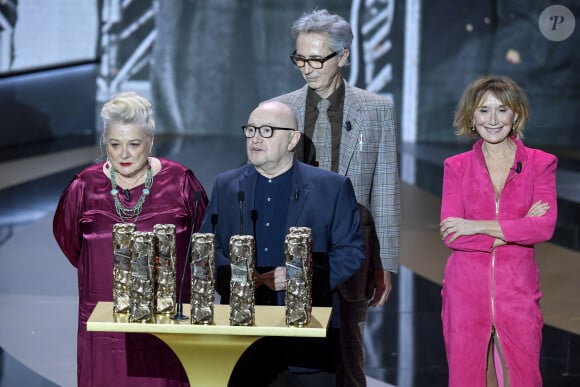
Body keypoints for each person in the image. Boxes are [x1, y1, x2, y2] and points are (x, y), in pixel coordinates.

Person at [267, 9, 400, 386]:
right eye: (299, 59)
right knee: (285, 350)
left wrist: (385, 262)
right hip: (287, 248)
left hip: (352, 249)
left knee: (348, 353)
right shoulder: (280, 109)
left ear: (343, 56)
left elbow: (385, 188)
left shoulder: (376, 111)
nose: (306, 68)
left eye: (316, 59)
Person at [199, 100, 365, 386]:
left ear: (292, 139)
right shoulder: (227, 185)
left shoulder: (332, 187)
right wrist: (234, 275)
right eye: (250, 130)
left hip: (308, 336)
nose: (255, 138)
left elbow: (350, 251)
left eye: (266, 130)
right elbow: (207, 246)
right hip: (244, 332)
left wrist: (299, 277)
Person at [53, 91, 208, 386]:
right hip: (103, 319)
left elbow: (201, 241)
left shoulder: (181, 182)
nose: (124, 154)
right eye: (115, 144)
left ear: (150, 143)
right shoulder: (83, 186)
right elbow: (71, 244)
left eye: (134, 144)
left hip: (166, 320)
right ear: (105, 144)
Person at [439, 75, 557, 386]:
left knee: (525, 377)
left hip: (518, 292)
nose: (493, 120)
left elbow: (543, 227)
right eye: (483, 110)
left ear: (516, 114)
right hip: (464, 293)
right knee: (464, 378)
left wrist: (473, 225)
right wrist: (518, 227)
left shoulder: (541, 164)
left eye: (502, 110)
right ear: (471, 117)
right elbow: (452, 234)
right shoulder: (456, 166)